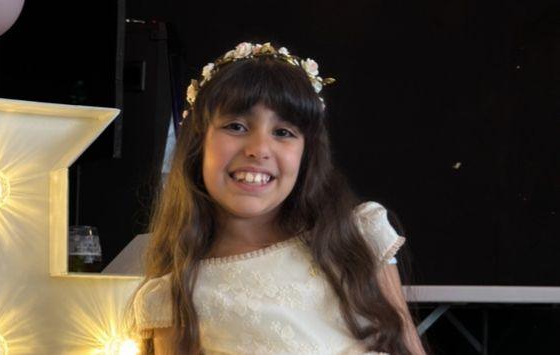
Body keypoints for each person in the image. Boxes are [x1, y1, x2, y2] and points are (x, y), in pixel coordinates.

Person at [128, 42, 426, 354]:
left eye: (283, 132)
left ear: (306, 154)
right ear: (198, 143)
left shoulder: (356, 239)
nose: (259, 148)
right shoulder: (177, 298)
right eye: (236, 126)